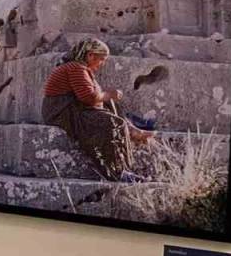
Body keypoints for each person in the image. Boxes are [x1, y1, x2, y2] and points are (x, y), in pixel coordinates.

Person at [42, 38, 154, 181]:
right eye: (101, 59)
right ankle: (117, 172)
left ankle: (131, 129)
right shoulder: (76, 68)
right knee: (112, 123)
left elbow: (92, 97)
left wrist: (107, 97)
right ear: (90, 55)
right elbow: (89, 97)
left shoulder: (79, 68)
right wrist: (109, 94)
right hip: (62, 112)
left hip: (70, 108)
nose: (102, 64)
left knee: (109, 105)